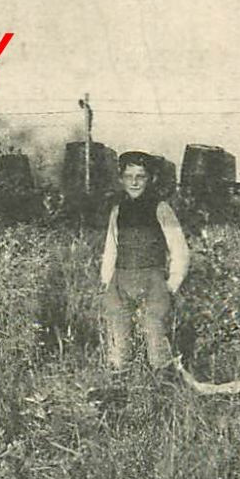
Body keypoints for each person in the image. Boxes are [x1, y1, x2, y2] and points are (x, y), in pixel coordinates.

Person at [100, 150, 190, 374]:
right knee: (118, 333)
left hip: (152, 280)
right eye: (129, 176)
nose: (134, 182)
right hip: (121, 278)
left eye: (140, 176)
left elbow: (179, 248)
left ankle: (163, 384)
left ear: (149, 179)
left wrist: (172, 284)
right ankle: (120, 380)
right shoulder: (118, 210)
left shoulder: (161, 208)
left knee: (155, 330)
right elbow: (111, 246)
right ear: (121, 179)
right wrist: (106, 281)